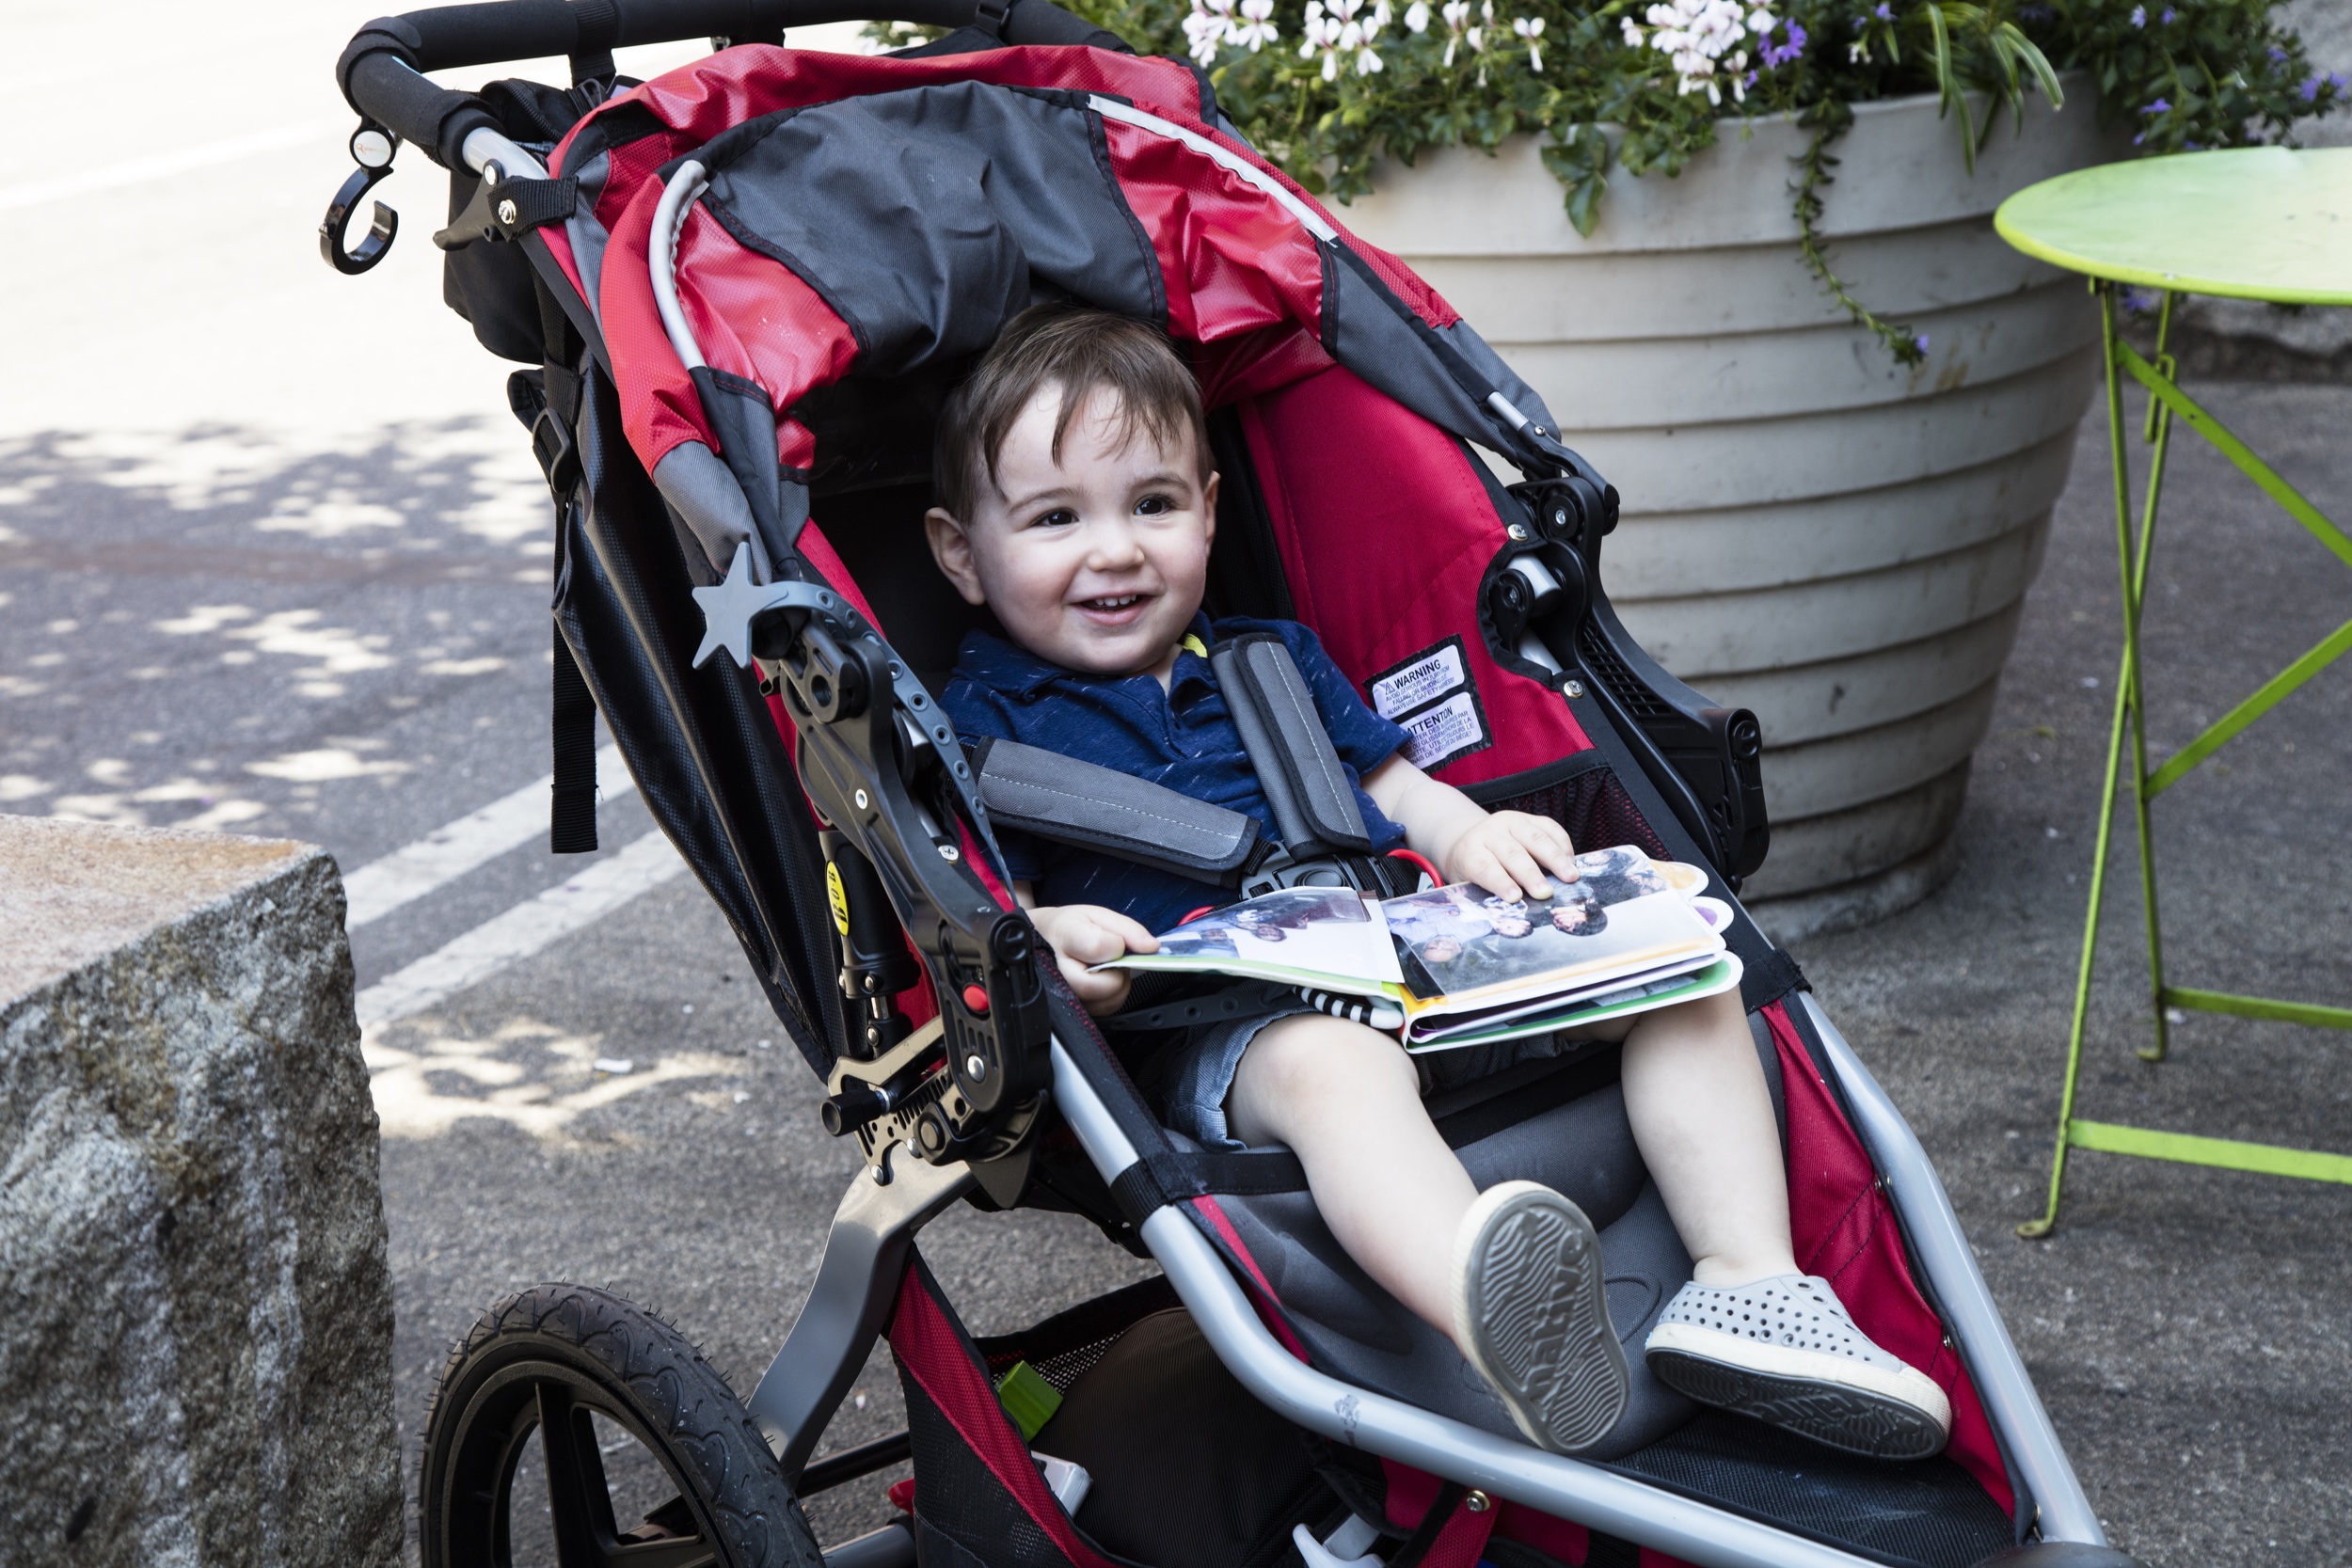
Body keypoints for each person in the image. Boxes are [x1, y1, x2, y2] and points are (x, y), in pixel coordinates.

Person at [925, 303, 1952, 1461]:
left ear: (1209, 512)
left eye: (1153, 505)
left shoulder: (1271, 658)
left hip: (1408, 959)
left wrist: (1472, 838)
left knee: (1681, 961)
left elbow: (1400, 786)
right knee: (1331, 1064)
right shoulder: (978, 729)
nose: (1113, 549)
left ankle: (1747, 1285)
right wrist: (1051, 934)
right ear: (961, 552)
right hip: (1230, 1025)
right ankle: (1498, 1315)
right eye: (1055, 518)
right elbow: (974, 894)